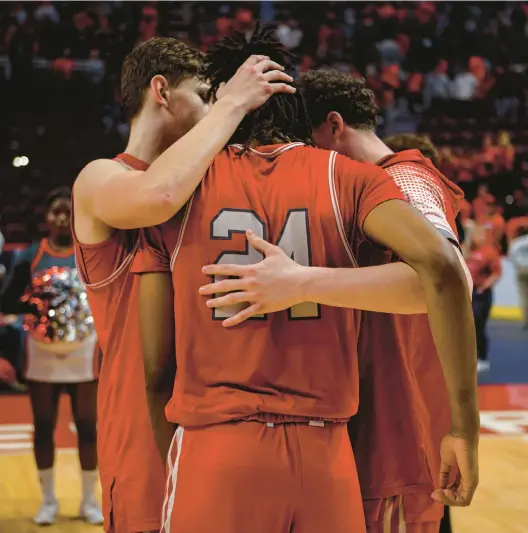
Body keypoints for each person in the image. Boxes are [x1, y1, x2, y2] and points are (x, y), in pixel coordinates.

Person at [135, 29, 478, 533]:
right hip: (327, 453)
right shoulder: (350, 178)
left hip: (216, 445)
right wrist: (464, 428)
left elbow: (154, 368)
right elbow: (446, 271)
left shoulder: (174, 189)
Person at [71, 36, 295, 533]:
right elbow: (158, 195)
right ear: (162, 91)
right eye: (204, 94)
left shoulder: (213, 186)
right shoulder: (99, 178)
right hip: (143, 445)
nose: (215, 105)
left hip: (219, 437)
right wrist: (235, 103)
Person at [0, 188, 101, 526]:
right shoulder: (30, 255)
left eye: (67, 212)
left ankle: (89, 500)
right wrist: (37, 304)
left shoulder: (90, 254)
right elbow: (7, 301)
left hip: (83, 351)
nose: (61, 218)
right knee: (43, 426)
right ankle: (48, 500)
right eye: (56, 212)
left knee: (88, 427)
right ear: (46, 217)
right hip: (42, 353)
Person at [466, 226, 502, 372]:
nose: (477, 237)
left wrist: (484, 286)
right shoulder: (469, 250)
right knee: (467, 326)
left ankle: (482, 358)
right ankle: (469, 356)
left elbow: (496, 273)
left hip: (481, 293)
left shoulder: (489, 252)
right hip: (468, 292)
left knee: (478, 324)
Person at [509, 227, 528, 328]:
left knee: (523, 296)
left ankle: (525, 321)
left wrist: (518, 265)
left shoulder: (516, 243)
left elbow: (511, 256)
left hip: (521, 269)